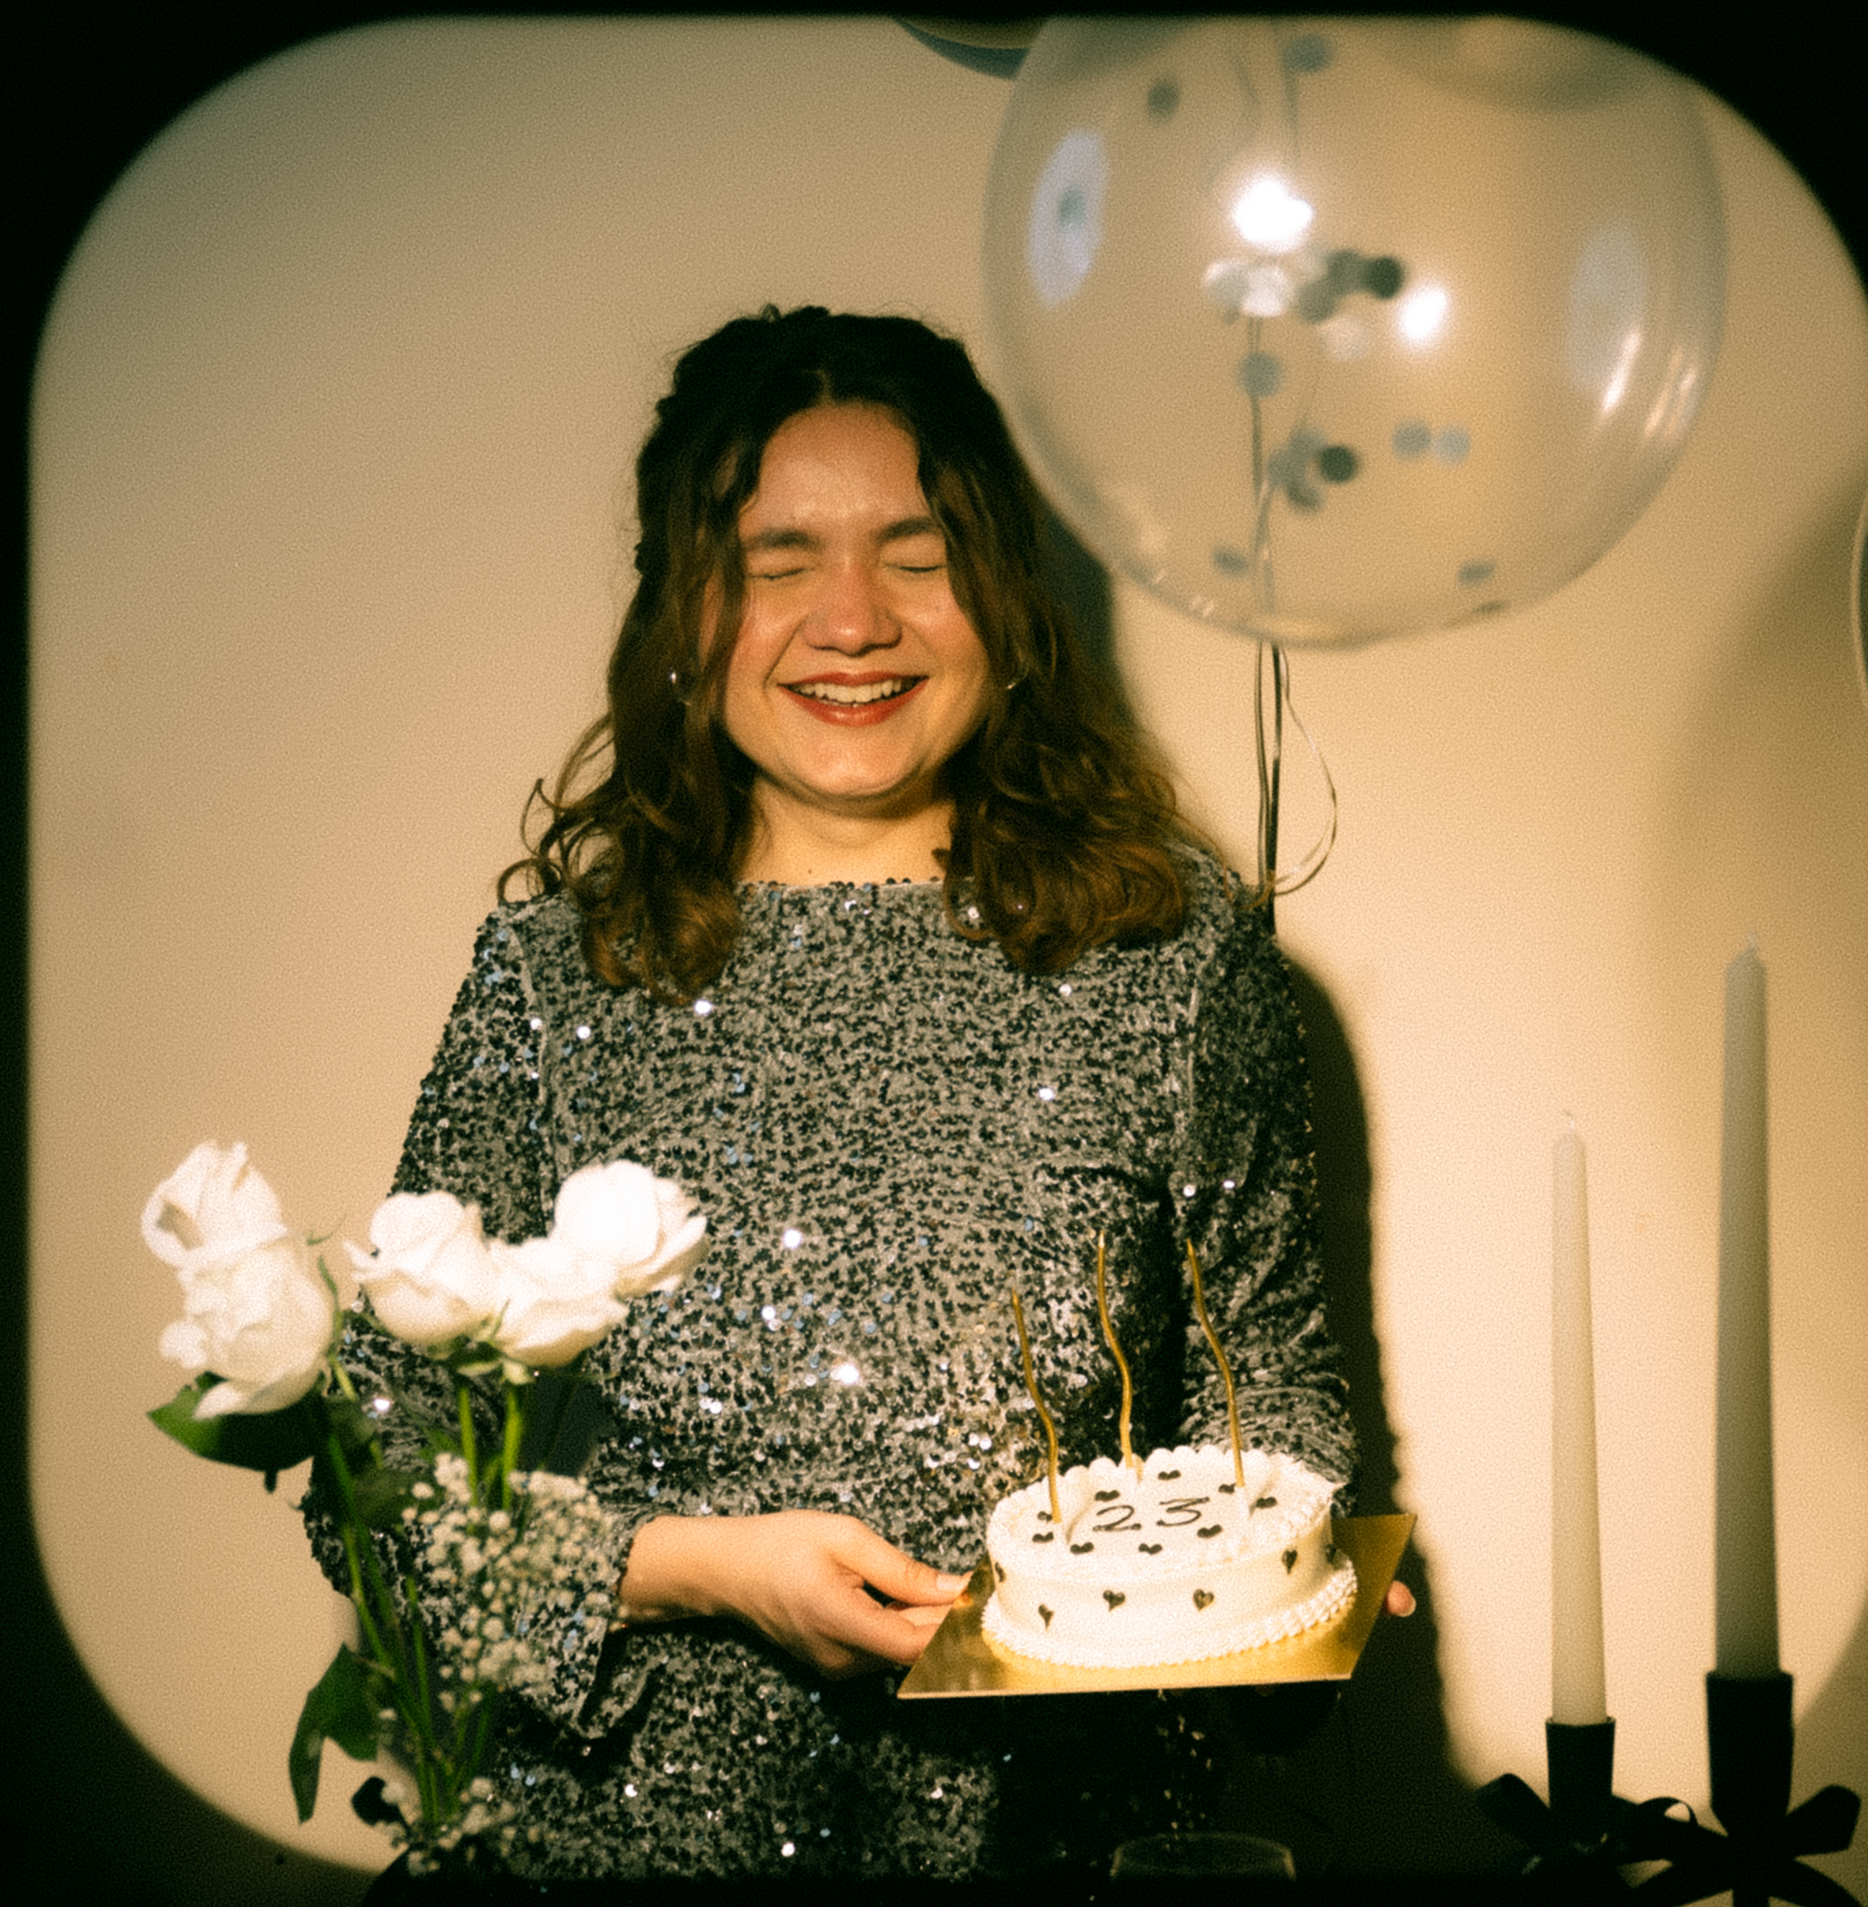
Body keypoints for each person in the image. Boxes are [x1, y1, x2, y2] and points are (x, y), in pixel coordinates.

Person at [311, 306, 1363, 1882]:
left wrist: (1300, 1587)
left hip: (1056, 1851)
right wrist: (697, 1568)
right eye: (779, 562)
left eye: (918, 557)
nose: (853, 621)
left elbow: (1272, 1399)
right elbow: (373, 1493)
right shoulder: (555, 976)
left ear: (1005, 598)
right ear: (688, 608)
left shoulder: (1176, 953)